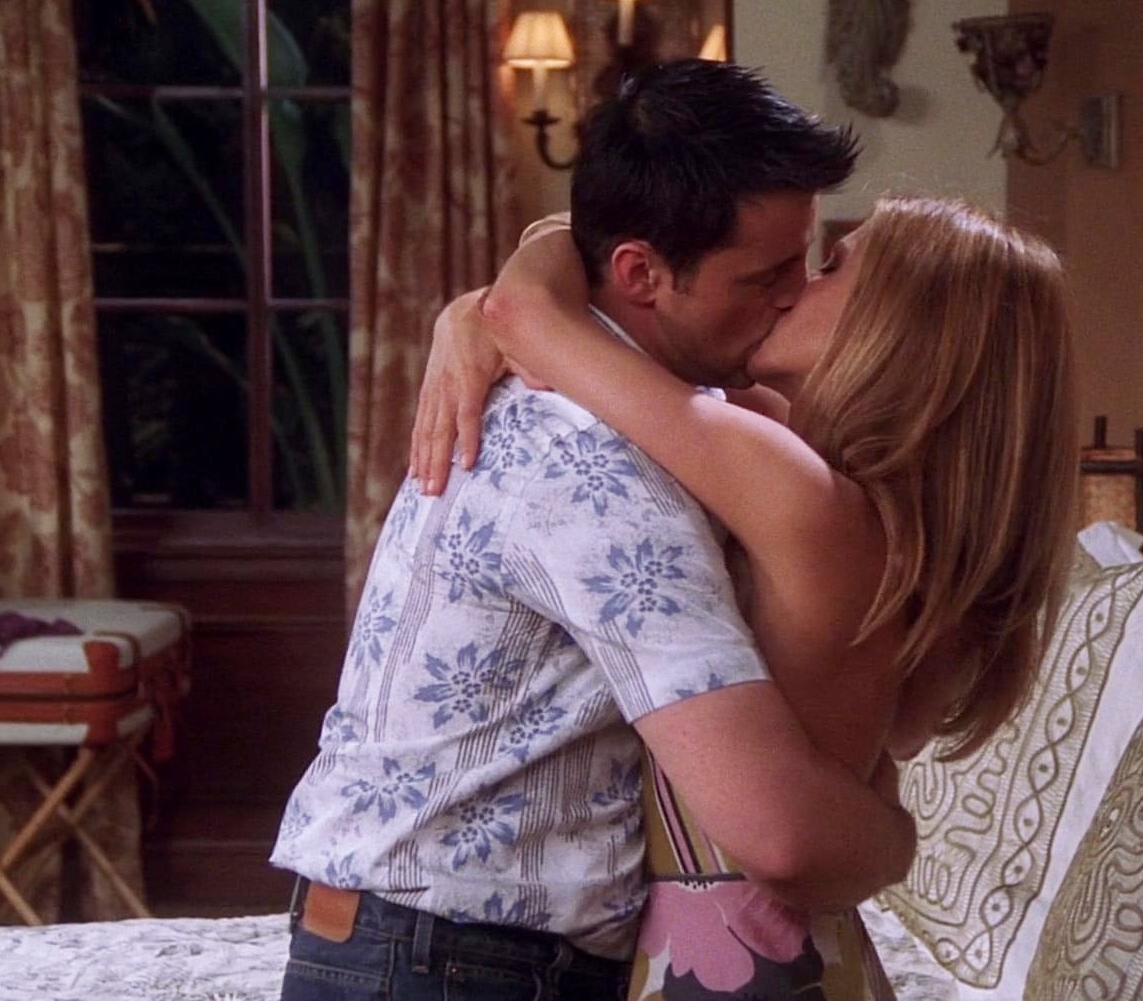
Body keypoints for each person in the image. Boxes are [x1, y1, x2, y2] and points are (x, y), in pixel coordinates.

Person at [271, 59, 917, 1001]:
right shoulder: (599, 471)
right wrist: (897, 837)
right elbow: (778, 835)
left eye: (807, 263)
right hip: (459, 962)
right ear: (640, 273)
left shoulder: (628, 404)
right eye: (766, 275)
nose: (791, 295)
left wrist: (512, 289)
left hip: (422, 943)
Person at [416, 193, 1080, 998]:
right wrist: (475, 313)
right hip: (803, 959)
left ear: (902, 328)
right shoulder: (905, 539)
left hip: (728, 967)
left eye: (830, 267)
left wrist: (486, 308)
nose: (793, 287)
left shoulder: (795, 494)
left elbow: (528, 314)